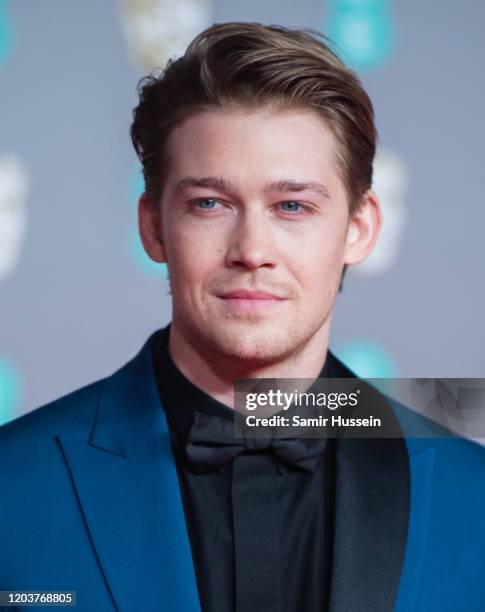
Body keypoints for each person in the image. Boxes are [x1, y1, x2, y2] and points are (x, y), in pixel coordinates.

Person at [1, 22, 484, 612]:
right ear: (153, 226)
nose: (252, 249)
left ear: (359, 230)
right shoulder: (12, 484)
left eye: (292, 206)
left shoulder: (472, 493)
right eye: (210, 203)